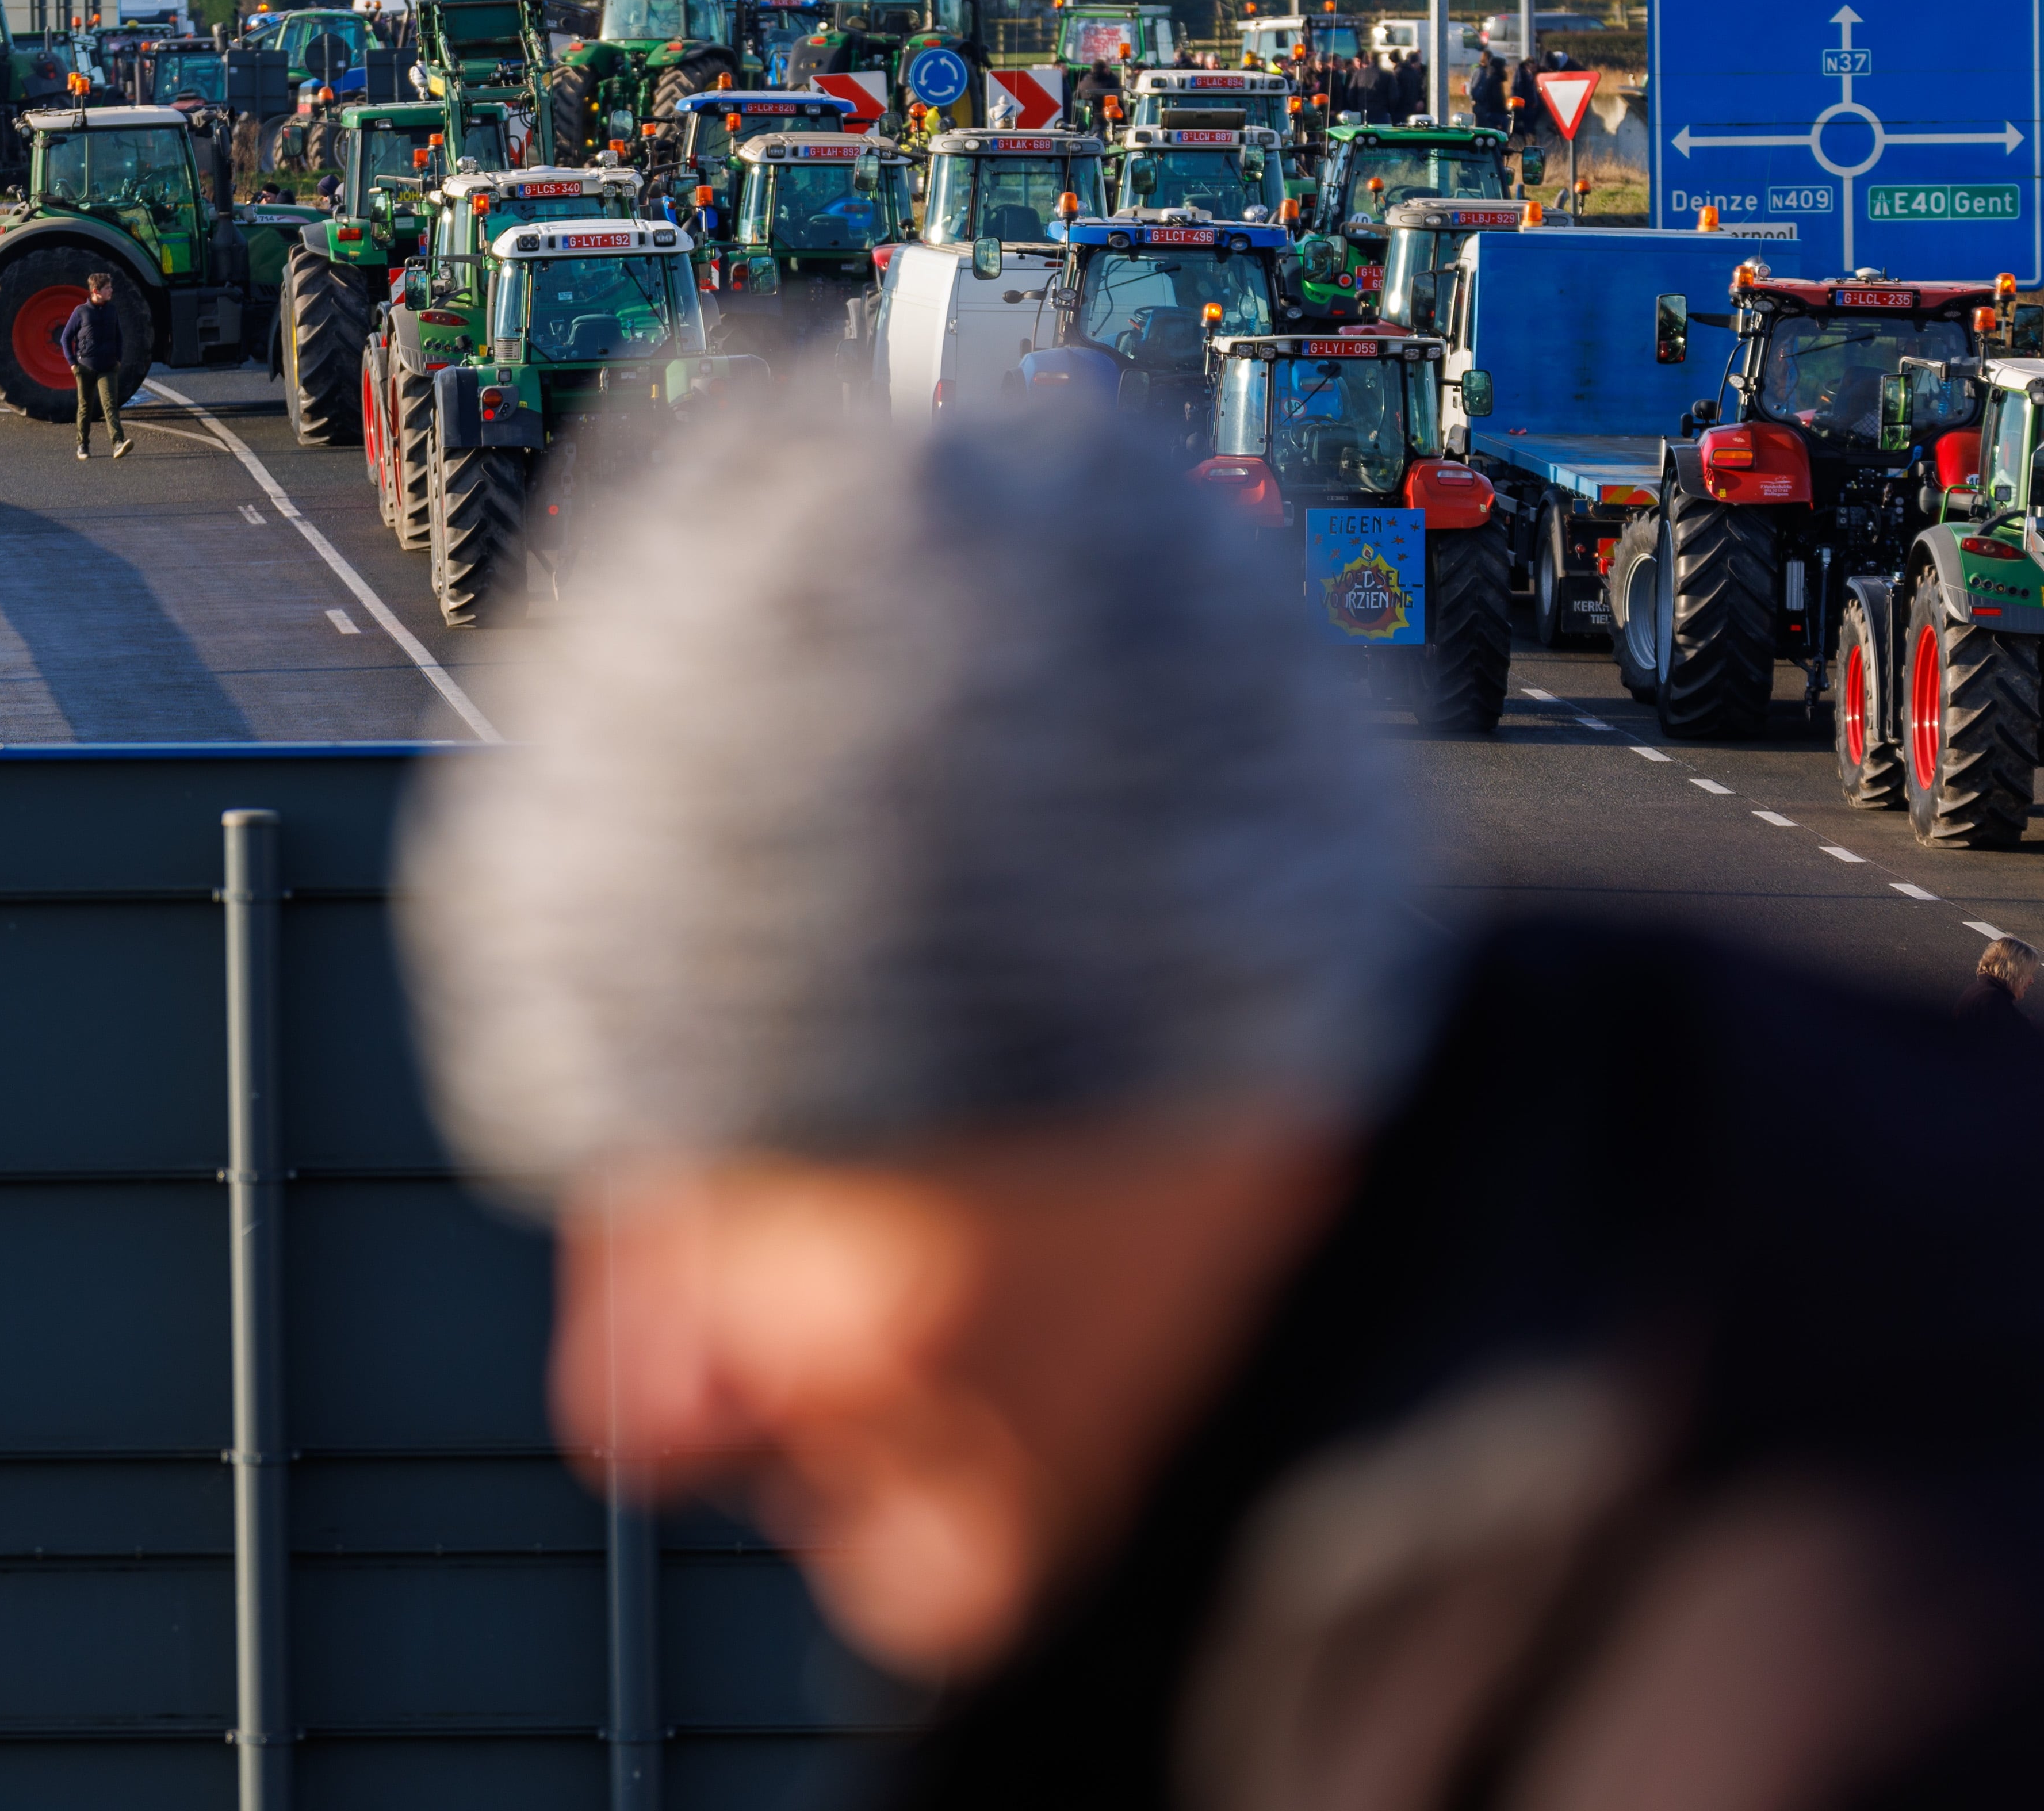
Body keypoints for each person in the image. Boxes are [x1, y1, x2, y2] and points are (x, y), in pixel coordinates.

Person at [401, 409, 2044, 1809]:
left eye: (749, 1187)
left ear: (1168, 1060)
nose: (640, 1405)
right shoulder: (1360, 1594)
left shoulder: (1854, 1699)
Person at [60, 271, 130, 460]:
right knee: (85, 406)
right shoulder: (81, 312)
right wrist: (73, 364)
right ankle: (82, 445)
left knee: (111, 406)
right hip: (85, 368)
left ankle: (118, 443)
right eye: (107, 288)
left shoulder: (112, 310)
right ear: (96, 291)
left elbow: (119, 337)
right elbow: (65, 338)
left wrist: (118, 360)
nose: (111, 290)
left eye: (110, 287)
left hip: (108, 367)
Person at [1959, 933, 2039, 1029]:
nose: (2032, 981)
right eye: (2029, 973)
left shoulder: (1981, 991)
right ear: (2014, 971)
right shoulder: (1993, 1001)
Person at [1071, 56, 1119, 133]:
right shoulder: (1106, 86)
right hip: (1102, 123)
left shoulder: (1083, 84)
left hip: (1084, 123)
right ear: (1104, 70)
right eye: (1107, 68)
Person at [1468, 47, 1507, 130]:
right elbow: (1474, 87)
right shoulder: (1480, 71)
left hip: (1483, 105)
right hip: (1481, 104)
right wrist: (1474, 100)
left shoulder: (1487, 72)